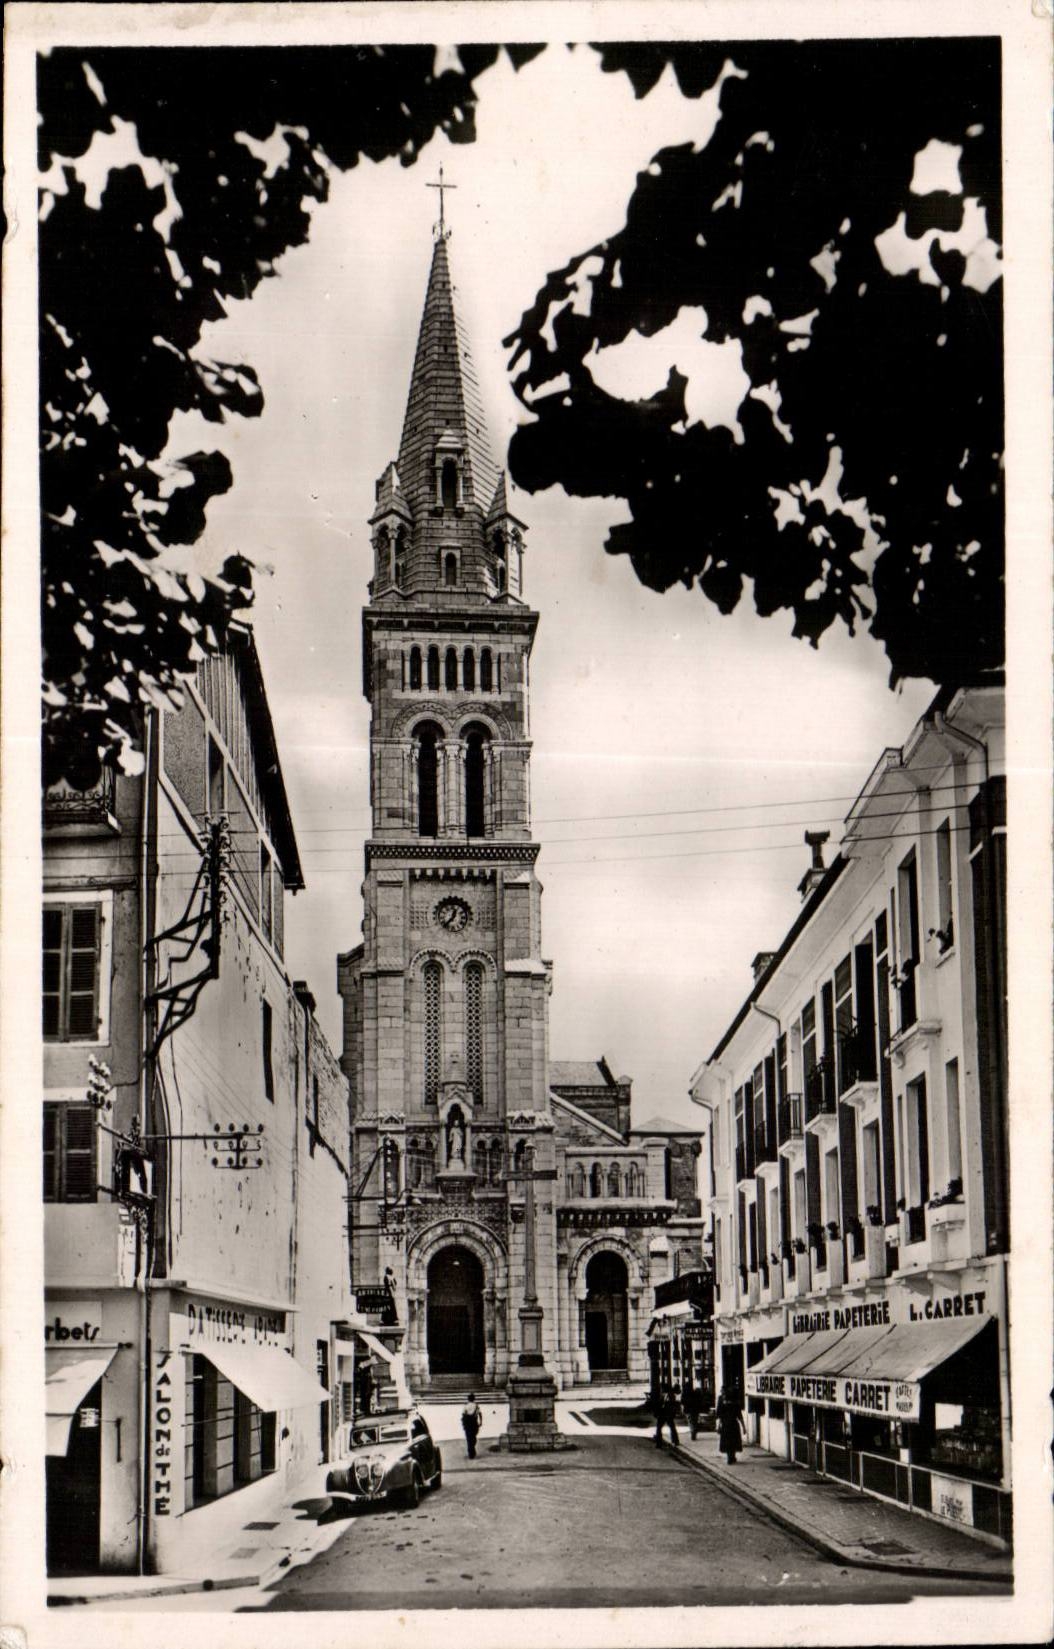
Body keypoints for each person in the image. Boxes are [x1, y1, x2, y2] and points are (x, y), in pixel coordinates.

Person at [716, 1385, 744, 1465]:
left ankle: (730, 1457)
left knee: (727, 1441)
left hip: (725, 1424)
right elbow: (739, 1415)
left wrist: (718, 1426)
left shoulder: (721, 1400)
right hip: (733, 1424)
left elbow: (719, 1414)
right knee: (734, 1441)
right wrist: (743, 1427)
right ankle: (732, 1456)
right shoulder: (735, 1401)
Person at [654, 1384, 680, 1448]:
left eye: (662, 1389)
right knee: (671, 1427)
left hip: (664, 1414)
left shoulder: (667, 1395)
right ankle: (675, 1441)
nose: (661, 1390)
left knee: (659, 1428)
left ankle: (659, 1443)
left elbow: (663, 1405)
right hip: (667, 1414)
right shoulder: (669, 1395)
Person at [461, 1392, 483, 1459]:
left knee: (469, 1438)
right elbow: (480, 1414)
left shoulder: (466, 1406)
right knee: (473, 1437)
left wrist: (464, 1424)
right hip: (474, 1423)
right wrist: (481, 1422)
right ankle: (472, 1451)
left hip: (468, 1424)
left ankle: (471, 1452)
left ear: (468, 1399)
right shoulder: (476, 1406)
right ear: (474, 1399)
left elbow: (463, 1415)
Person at [682, 1375, 701, 1441]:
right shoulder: (695, 1393)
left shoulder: (684, 1394)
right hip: (695, 1410)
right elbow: (699, 1401)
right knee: (695, 1421)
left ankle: (693, 1431)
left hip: (688, 1409)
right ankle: (694, 1430)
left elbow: (682, 1402)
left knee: (690, 1421)